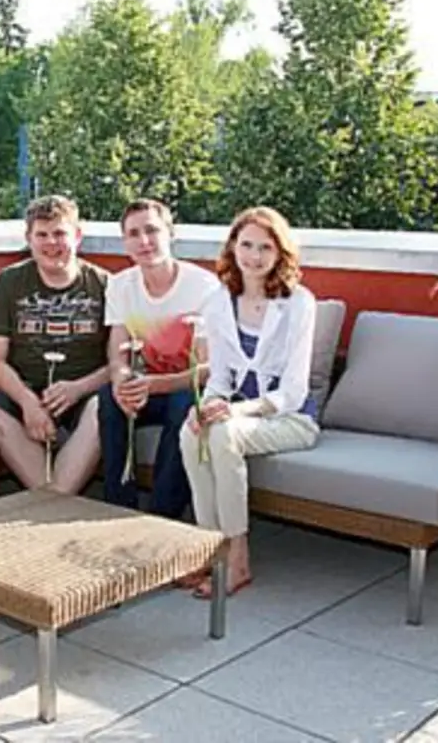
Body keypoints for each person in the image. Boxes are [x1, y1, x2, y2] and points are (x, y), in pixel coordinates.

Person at [179, 206, 321, 598]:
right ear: (232, 248)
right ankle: (207, 550)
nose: (254, 256)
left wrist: (233, 410)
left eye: (265, 248)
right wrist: (205, 405)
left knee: (222, 434)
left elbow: (293, 392)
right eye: (246, 245)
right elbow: (221, 377)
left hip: (289, 418)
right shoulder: (220, 300)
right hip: (236, 414)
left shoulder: (299, 303)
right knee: (192, 433)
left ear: (280, 255)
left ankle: (237, 559)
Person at [99, 199, 219, 520]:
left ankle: (162, 515)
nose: (144, 241)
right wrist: (122, 380)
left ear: (171, 233)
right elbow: (117, 349)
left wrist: (156, 384)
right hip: (149, 387)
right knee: (108, 399)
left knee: (184, 402)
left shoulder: (203, 287)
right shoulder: (120, 285)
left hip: (189, 387)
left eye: (152, 230)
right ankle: (118, 508)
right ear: (125, 242)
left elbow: (209, 369)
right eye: (133, 234)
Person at [0, 194, 111, 494]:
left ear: (77, 236)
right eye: (42, 234)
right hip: (24, 389)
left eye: (60, 233)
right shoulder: (9, 282)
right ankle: (51, 499)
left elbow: (119, 364)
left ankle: (53, 500)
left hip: (84, 391)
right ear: (29, 239)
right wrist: (28, 402)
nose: (51, 243)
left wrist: (78, 388)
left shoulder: (104, 284)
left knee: (103, 407)